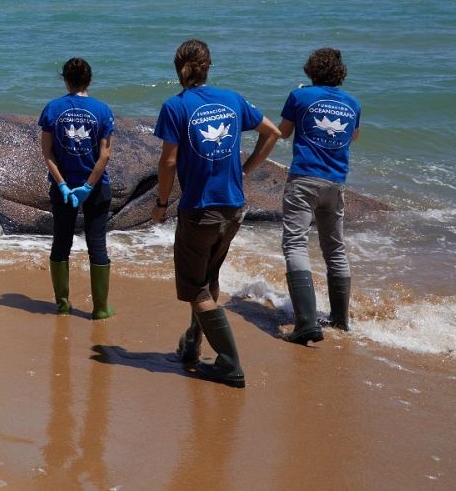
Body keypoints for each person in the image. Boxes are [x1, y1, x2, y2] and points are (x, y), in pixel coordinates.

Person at [151, 39, 280, 388]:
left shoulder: (175, 106)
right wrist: (247, 170)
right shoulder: (233, 99)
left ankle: (229, 363)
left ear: (178, 67)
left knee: (194, 290)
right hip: (234, 208)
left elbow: (169, 161)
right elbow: (274, 132)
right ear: (208, 66)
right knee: (208, 279)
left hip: (200, 209)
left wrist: (161, 204)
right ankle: (193, 342)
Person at [277, 48, 362, 344]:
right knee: (335, 248)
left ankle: (306, 323)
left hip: (304, 178)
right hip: (336, 182)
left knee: (295, 244)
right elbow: (352, 136)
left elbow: (283, 132)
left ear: (310, 71)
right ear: (340, 73)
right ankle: (340, 320)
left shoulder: (299, 96)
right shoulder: (352, 103)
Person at [38, 57, 117, 318]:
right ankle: (101, 309)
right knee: (97, 244)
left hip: (64, 187)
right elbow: (104, 156)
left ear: (65, 80)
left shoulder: (52, 109)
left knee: (61, 242)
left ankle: (62, 305)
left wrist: (62, 185)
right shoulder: (103, 110)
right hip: (96, 187)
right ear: (90, 80)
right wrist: (88, 186)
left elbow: (47, 152)